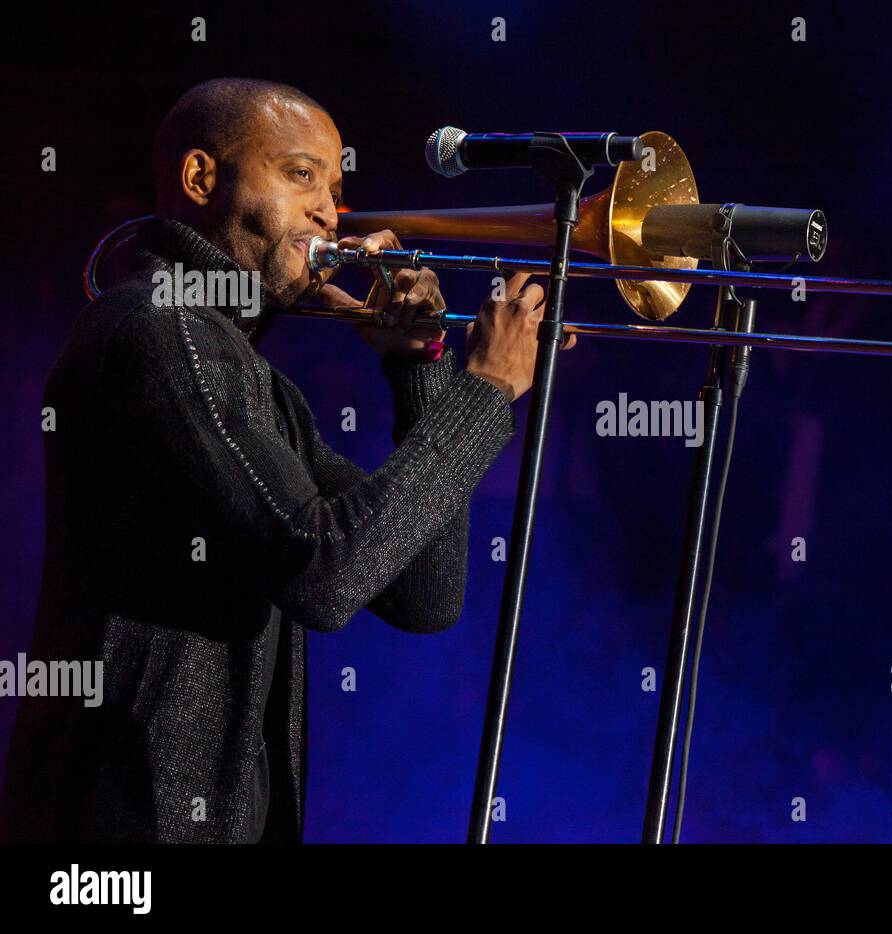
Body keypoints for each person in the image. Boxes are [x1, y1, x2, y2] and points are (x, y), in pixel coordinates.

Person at [0, 77, 572, 843]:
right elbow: (323, 575)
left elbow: (423, 597)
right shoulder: (156, 327)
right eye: (301, 175)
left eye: (336, 189)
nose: (329, 213)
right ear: (202, 178)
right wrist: (485, 392)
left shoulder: (252, 378)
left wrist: (422, 369)